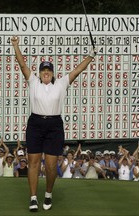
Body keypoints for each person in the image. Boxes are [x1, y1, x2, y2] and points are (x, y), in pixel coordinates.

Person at [11, 36, 96, 211]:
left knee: (50, 166)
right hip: (35, 123)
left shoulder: (62, 83)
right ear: (40, 72)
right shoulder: (33, 81)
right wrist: (15, 45)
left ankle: (48, 193)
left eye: (48, 70)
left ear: (52, 72)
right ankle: (33, 198)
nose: (46, 73)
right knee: (33, 162)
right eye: (43, 70)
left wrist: (90, 57)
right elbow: (22, 65)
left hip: (54, 125)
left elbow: (77, 70)